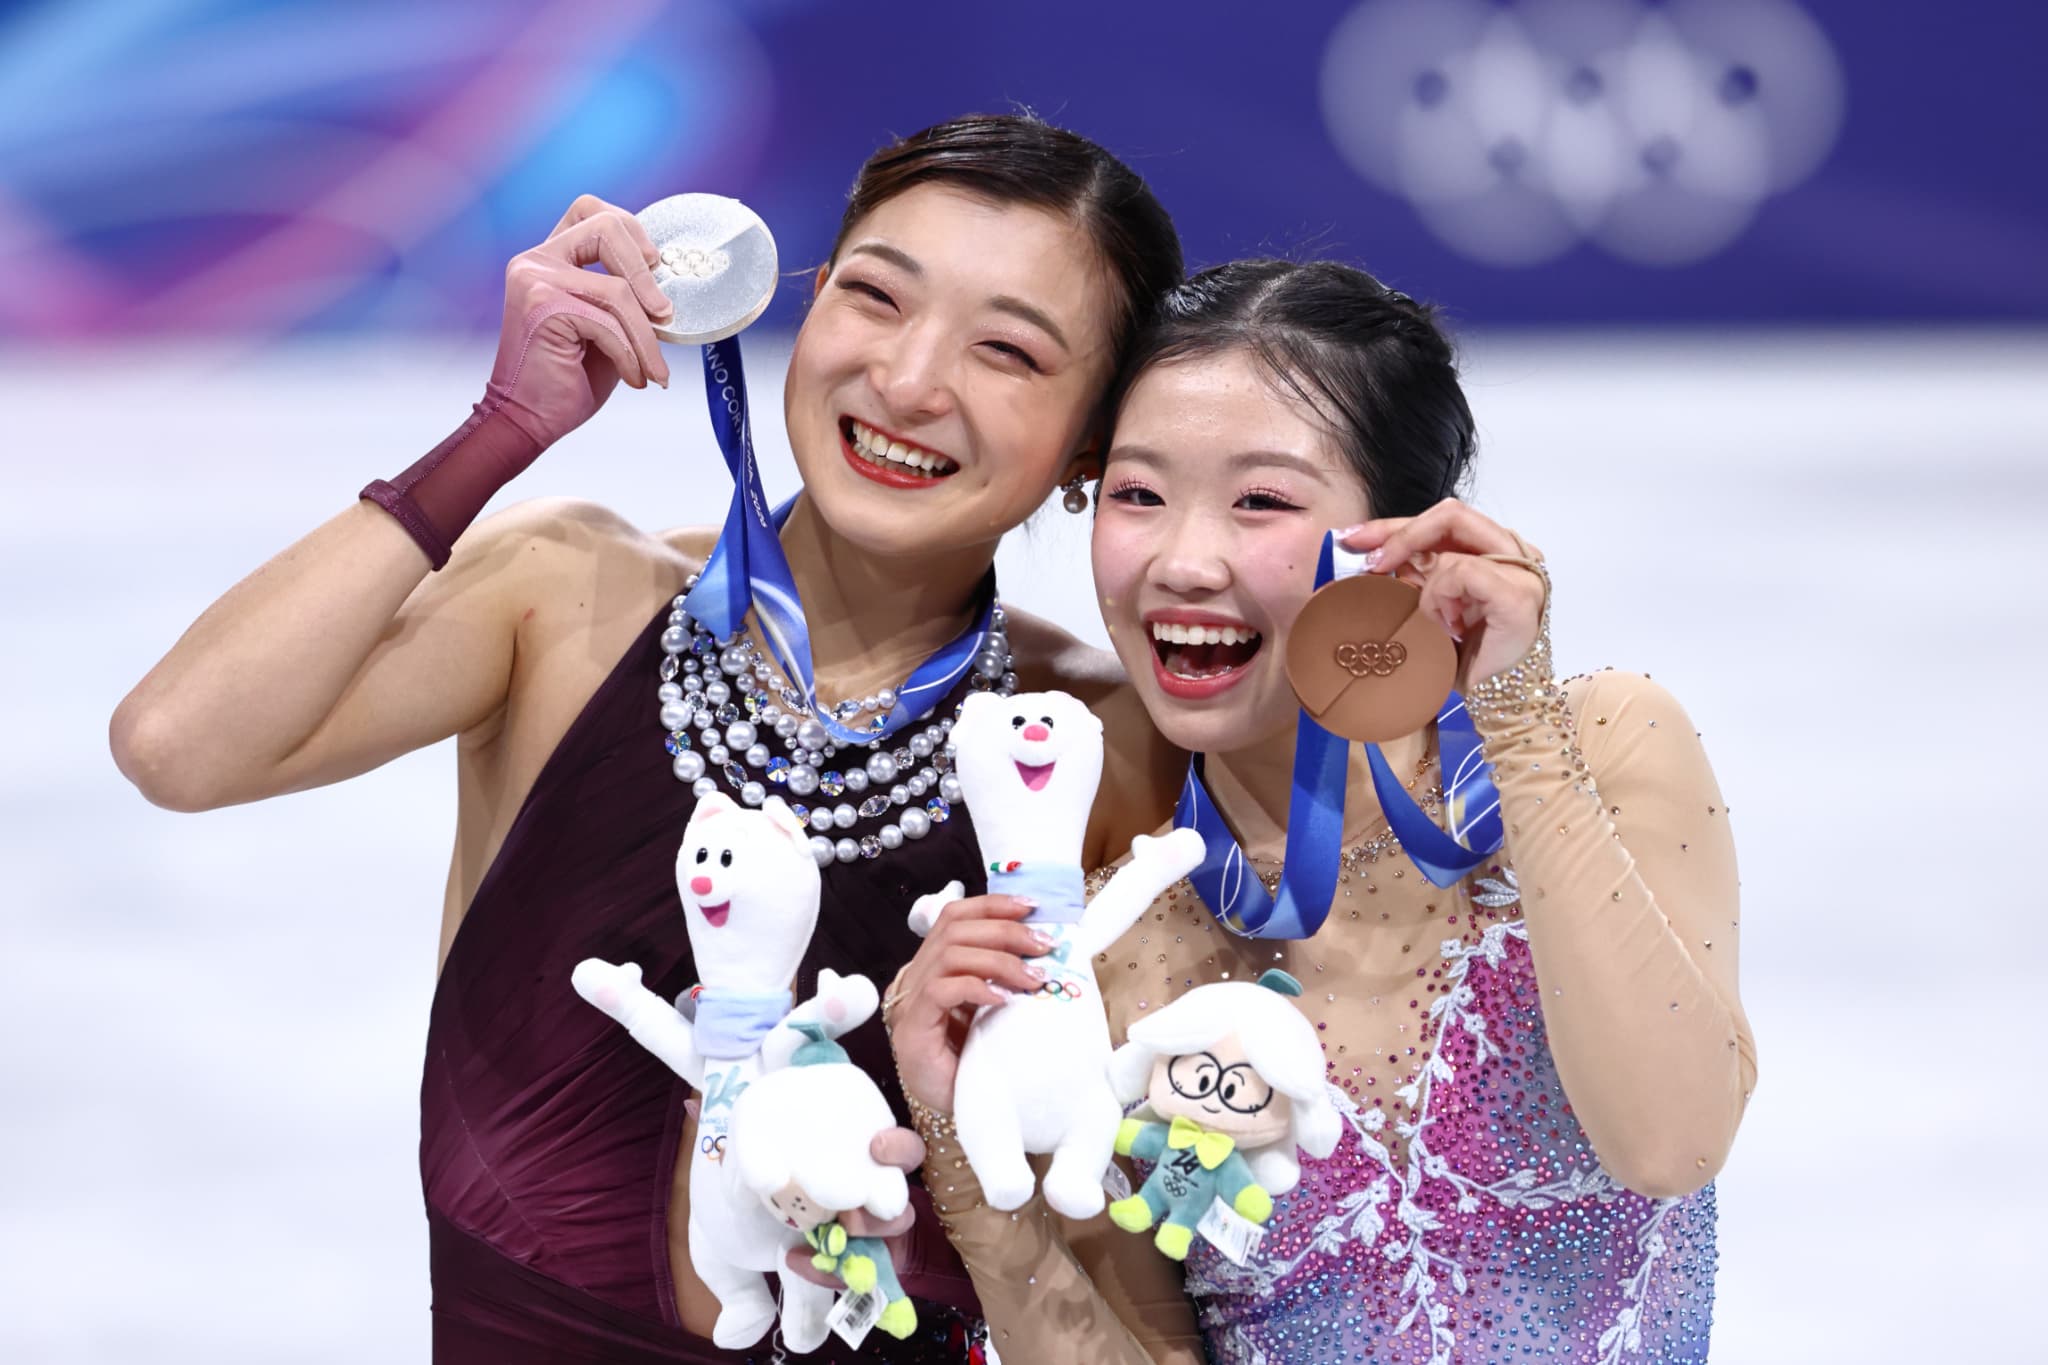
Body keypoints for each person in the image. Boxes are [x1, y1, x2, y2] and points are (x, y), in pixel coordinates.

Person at [108, 114, 1187, 1362]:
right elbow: (175, 745)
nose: (907, 381)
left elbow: (1127, 1264)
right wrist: (498, 431)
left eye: (1005, 350)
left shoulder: (1082, 747)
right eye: (875, 299)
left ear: (1092, 446)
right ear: (807, 297)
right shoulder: (569, 593)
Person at [887, 259, 1755, 1362]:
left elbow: (1668, 1143)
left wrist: (1516, 719)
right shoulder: (1112, 949)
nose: (1181, 562)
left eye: (1260, 501)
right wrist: (960, 1148)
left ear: (1403, 538)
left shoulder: (1596, 749)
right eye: (1138, 495)